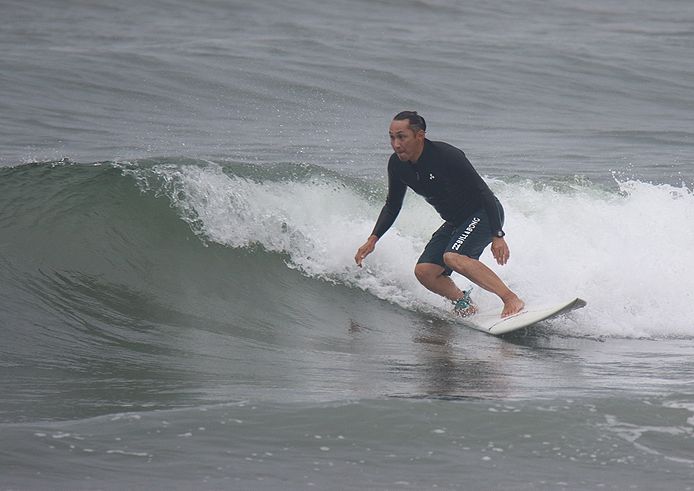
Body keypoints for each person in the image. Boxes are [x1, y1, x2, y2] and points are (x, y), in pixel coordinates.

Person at [354, 111, 524, 318]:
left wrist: (498, 235)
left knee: (453, 257)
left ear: (419, 135)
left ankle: (510, 298)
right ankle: (465, 305)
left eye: (402, 137)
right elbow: (392, 205)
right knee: (425, 272)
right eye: (392, 137)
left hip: (483, 213)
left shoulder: (446, 156)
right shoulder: (397, 165)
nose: (396, 144)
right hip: (455, 221)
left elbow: (484, 192)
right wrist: (373, 239)